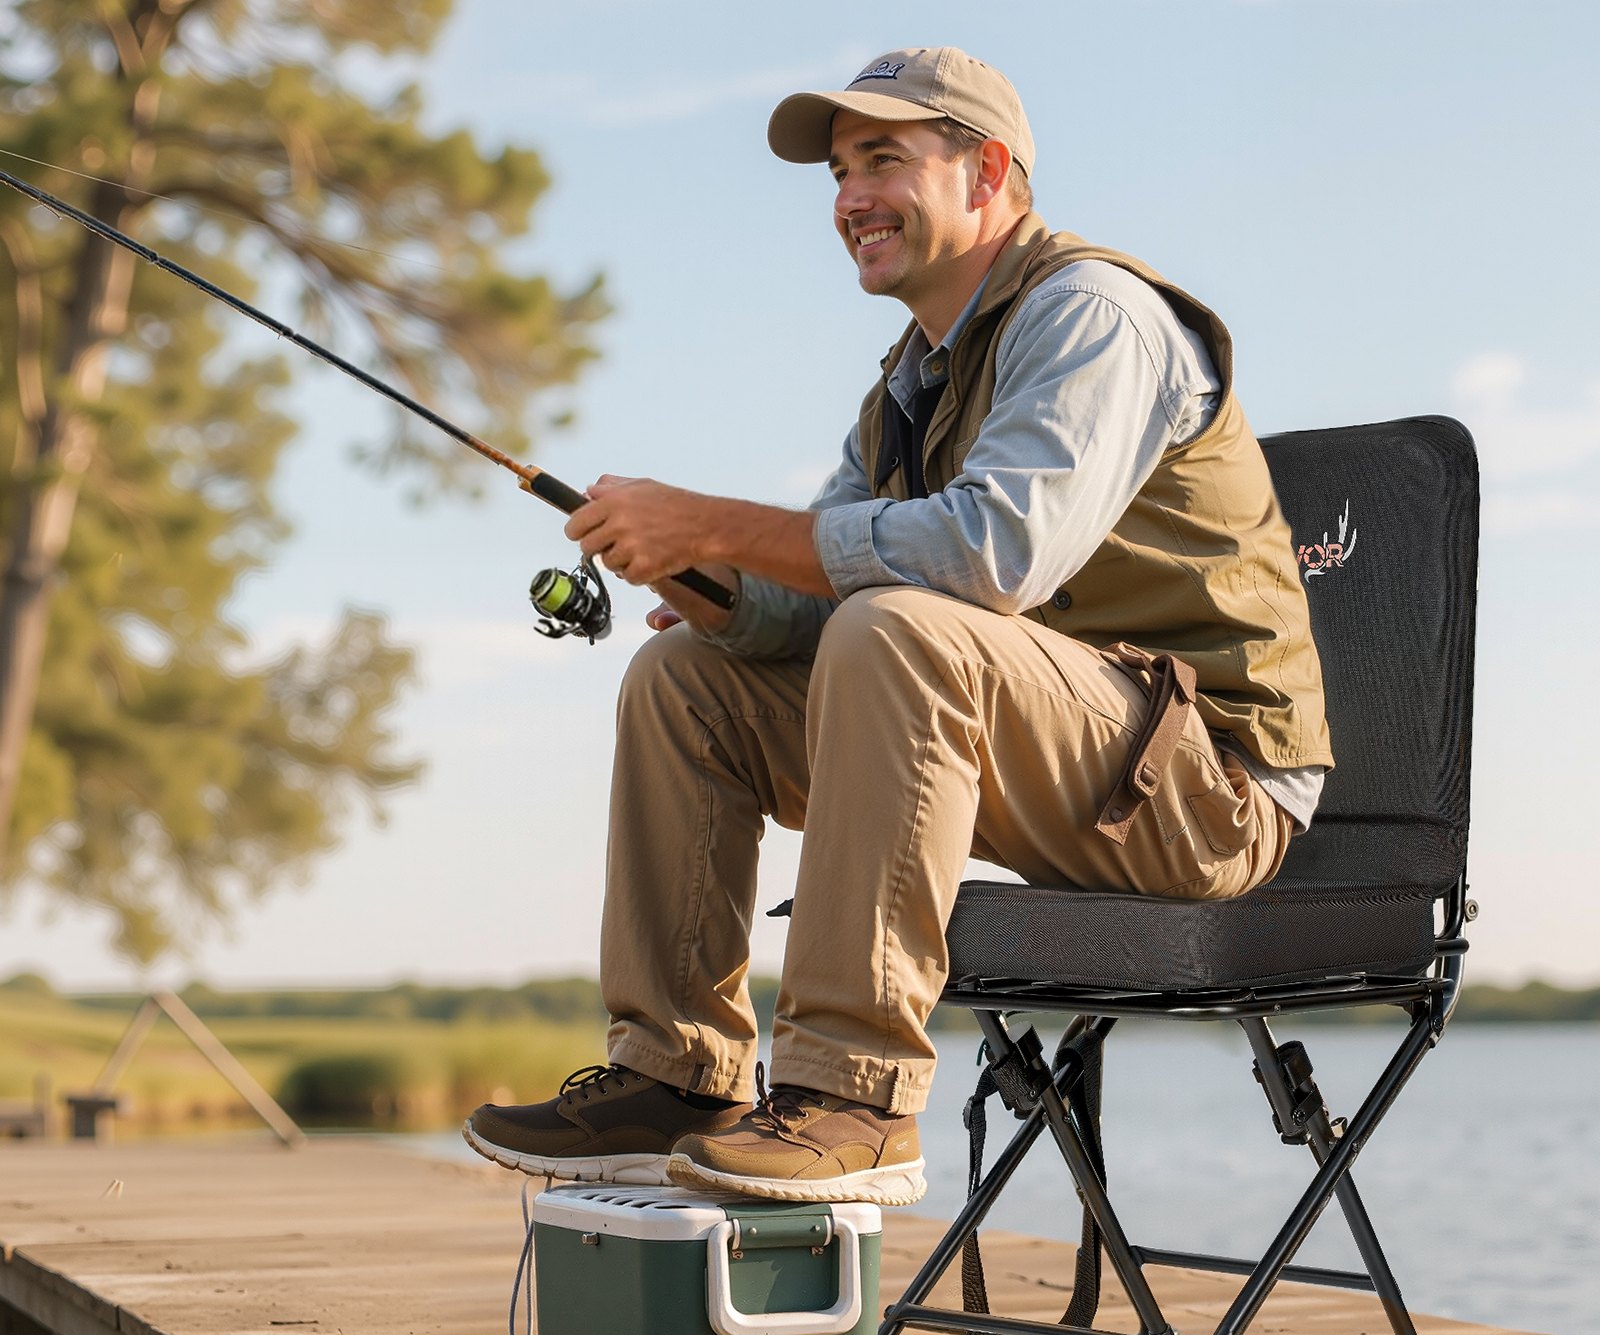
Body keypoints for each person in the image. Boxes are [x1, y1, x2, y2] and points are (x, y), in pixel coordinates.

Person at [463, 46, 1333, 1206]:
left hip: (1206, 796)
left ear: (988, 172)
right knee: (682, 674)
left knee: (900, 631)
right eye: (838, 173)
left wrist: (714, 520)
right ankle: (675, 1075)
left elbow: (991, 555)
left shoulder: (1094, 315)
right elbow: (814, 591)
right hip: (1056, 759)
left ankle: (855, 1100)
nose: (849, 200)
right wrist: (714, 580)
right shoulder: (906, 388)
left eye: (882, 160)